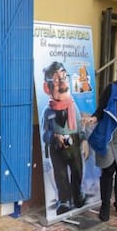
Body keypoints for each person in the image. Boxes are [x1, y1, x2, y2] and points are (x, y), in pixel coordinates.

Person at [87, 55, 117, 222]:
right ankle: (105, 205)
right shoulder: (112, 88)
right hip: (110, 131)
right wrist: (93, 119)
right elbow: (100, 109)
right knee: (108, 170)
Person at [41, 61, 88, 215]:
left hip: (74, 145)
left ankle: (77, 194)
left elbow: (80, 127)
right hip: (57, 148)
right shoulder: (48, 112)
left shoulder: (73, 107)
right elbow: (44, 133)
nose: (61, 82)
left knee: (77, 171)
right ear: (48, 86)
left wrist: (85, 141)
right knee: (60, 175)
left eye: (63, 77)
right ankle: (64, 200)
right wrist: (54, 136)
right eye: (56, 80)